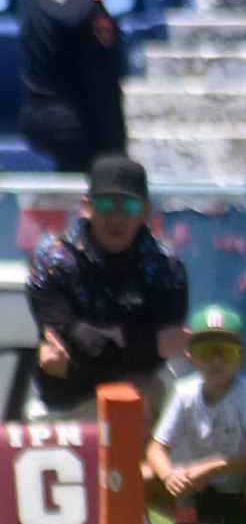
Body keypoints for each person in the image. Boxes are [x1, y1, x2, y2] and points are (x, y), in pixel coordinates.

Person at [24, 155, 187, 422]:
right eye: (106, 203)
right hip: (68, 400)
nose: (116, 217)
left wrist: (95, 346)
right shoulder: (53, 260)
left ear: (145, 211)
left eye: (129, 206)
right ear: (87, 206)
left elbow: (165, 347)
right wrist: (144, 344)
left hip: (140, 394)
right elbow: (80, 341)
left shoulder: (166, 266)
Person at [145, 306, 246, 524]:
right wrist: (169, 476)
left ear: (241, 357)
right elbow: (156, 448)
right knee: (143, 476)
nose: (216, 361)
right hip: (196, 500)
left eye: (226, 352)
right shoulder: (184, 393)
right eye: (206, 351)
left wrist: (212, 466)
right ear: (191, 355)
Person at [19, 0, 127, 172]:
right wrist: (115, 148)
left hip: (37, 114)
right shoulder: (83, 7)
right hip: (76, 125)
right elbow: (102, 82)